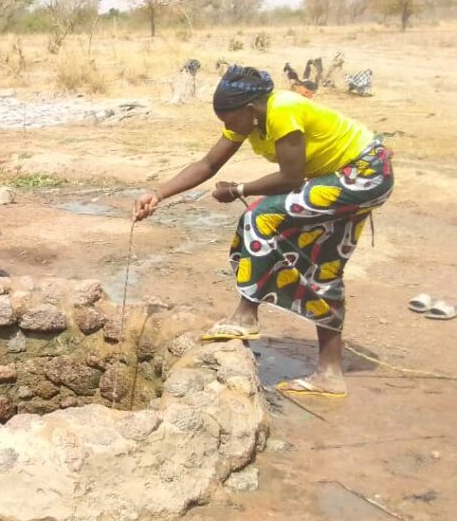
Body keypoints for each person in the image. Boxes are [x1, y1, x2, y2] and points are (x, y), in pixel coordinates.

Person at [133, 65, 393, 398]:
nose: (228, 128)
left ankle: (245, 315)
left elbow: (291, 178)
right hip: (339, 179)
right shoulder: (251, 119)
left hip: (365, 174)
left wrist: (239, 189)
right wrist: (158, 193)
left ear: (251, 109)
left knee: (260, 216)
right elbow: (208, 165)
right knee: (323, 268)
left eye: (229, 121)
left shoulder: (282, 109)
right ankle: (329, 374)